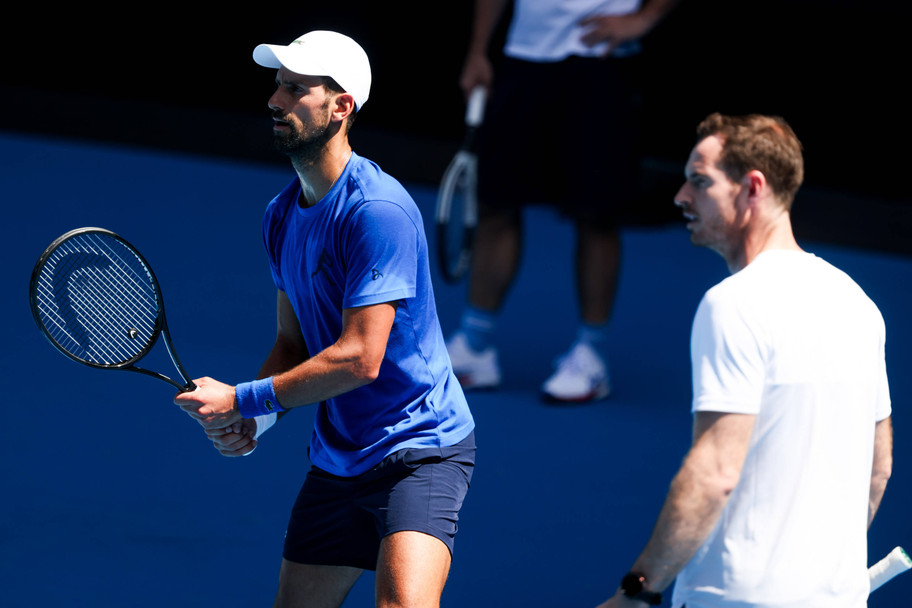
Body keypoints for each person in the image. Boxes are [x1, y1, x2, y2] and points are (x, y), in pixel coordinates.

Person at [174, 30, 476, 608]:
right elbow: (292, 340)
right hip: (339, 455)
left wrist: (245, 399)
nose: (275, 100)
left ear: (342, 107)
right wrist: (256, 422)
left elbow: (362, 358)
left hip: (422, 449)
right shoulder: (281, 214)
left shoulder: (378, 212)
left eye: (295, 89)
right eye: (276, 86)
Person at [596, 113, 893, 607]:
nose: (681, 197)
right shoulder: (859, 304)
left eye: (700, 182)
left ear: (752, 187)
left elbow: (714, 474)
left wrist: (638, 591)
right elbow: (878, 469)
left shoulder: (732, 304)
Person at [445, 0, 681, 402]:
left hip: (601, 63)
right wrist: (478, 51)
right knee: (496, 206)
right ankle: (474, 347)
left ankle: (591, 356)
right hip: (523, 58)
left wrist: (643, 18)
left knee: (597, 214)